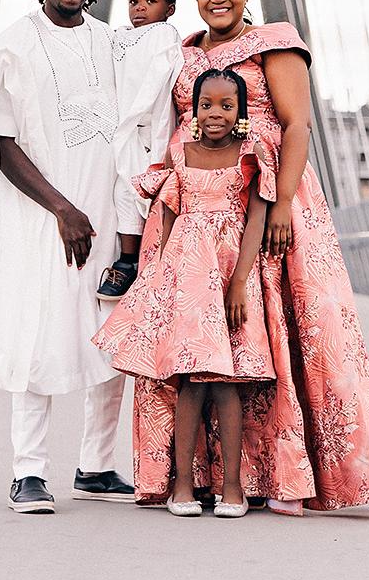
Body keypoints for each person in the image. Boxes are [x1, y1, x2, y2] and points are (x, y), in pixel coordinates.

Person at [127, 0, 369, 513]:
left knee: (273, 332)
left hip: (268, 195)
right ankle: (193, 477)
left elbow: (296, 124)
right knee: (193, 346)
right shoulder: (181, 54)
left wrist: (279, 206)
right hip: (196, 205)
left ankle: (283, 477)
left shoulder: (275, 41)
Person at [0, 0, 137, 514]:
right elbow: (1, 145)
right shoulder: (13, 45)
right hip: (46, 221)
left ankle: (96, 466)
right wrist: (62, 209)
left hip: (108, 220)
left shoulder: (109, 42)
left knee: (112, 341)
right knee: (38, 338)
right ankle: (28, 472)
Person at [94, 68, 275, 518]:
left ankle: (232, 487)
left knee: (228, 382)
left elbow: (255, 220)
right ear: (193, 110)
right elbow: (169, 219)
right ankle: (181, 487)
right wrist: (159, 281)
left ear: (241, 112)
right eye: (206, 105)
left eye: (226, 106)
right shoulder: (182, 153)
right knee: (190, 379)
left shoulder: (250, 155)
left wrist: (238, 283)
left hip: (230, 272)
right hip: (187, 278)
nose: (215, 114)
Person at [99, 0, 189, 299]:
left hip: (148, 132)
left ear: (168, 10)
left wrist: (132, 121)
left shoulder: (165, 37)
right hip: (120, 129)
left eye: (149, 1)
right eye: (132, 0)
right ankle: (126, 260)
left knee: (145, 192)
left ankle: (154, 267)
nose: (138, 8)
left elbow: (156, 86)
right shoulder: (118, 36)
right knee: (121, 194)